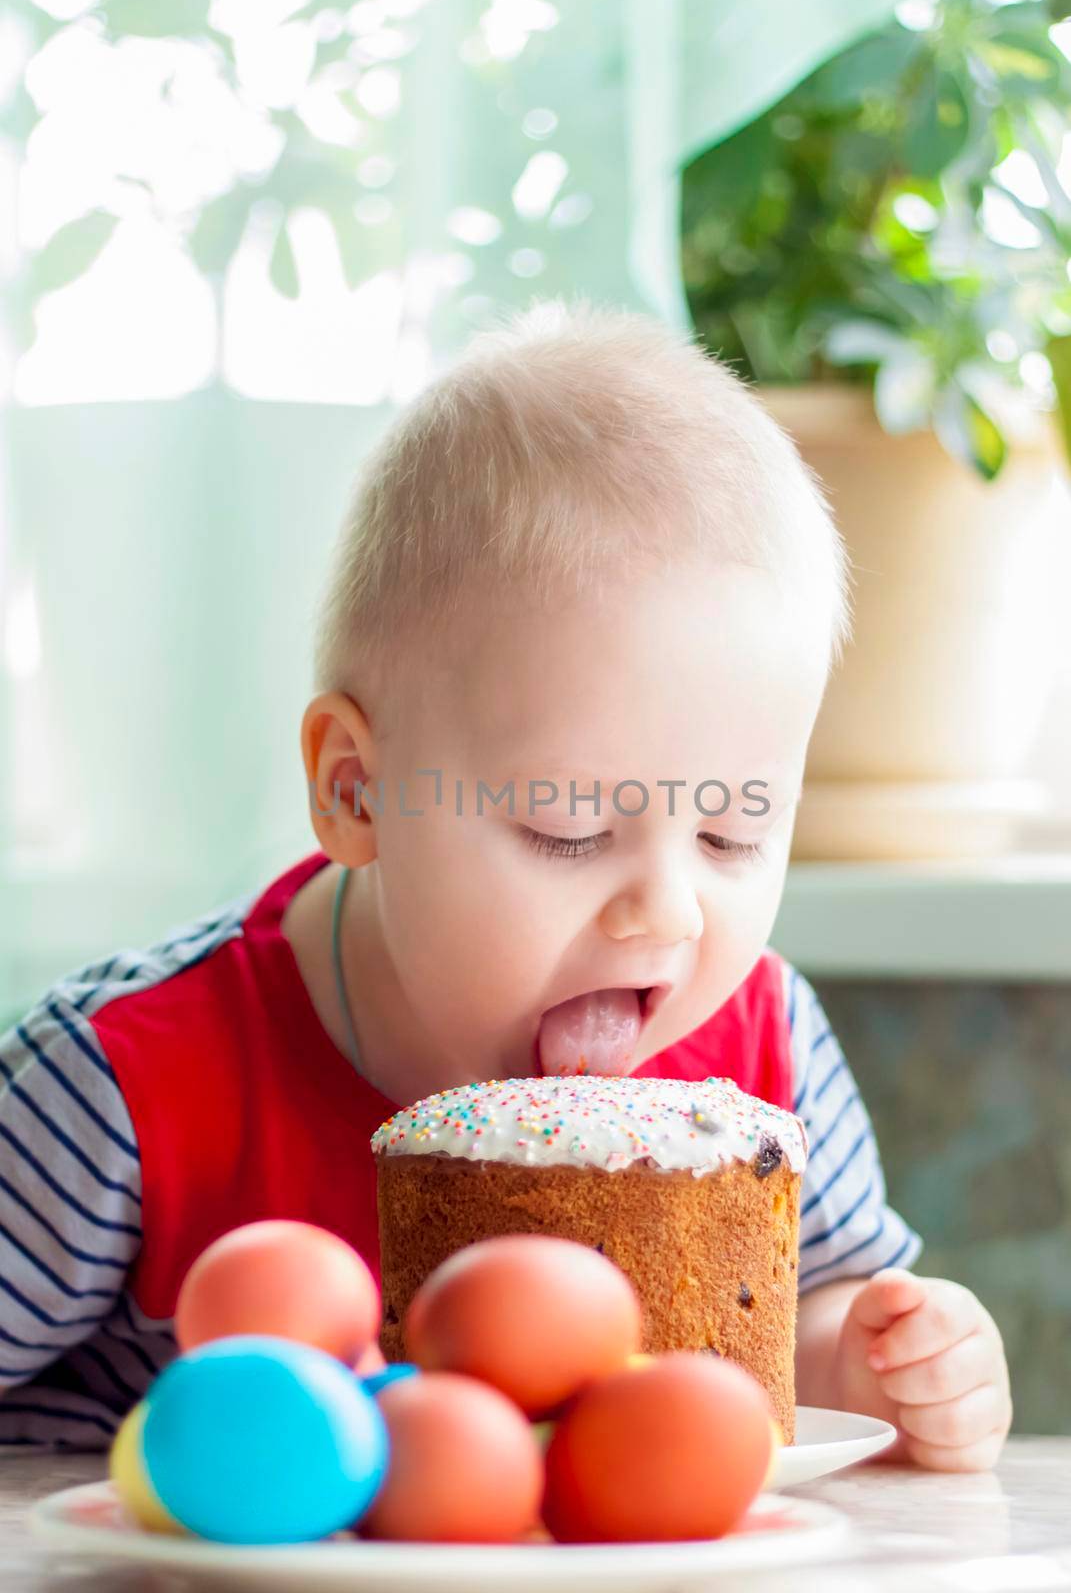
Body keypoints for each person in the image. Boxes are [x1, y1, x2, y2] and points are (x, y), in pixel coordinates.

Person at [0, 299, 1011, 1465]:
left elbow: (803, 1318)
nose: (668, 912)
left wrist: (887, 1354)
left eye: (733, 836)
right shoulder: (128, 1088)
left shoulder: (764, 1050)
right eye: (571, 825)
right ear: (357, 791)